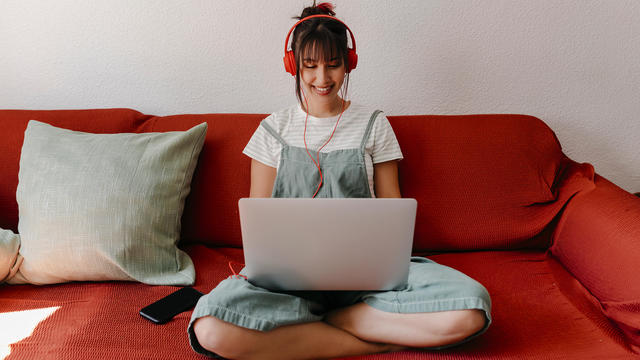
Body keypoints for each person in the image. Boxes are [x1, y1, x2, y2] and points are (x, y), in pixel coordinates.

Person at [188, 2, 491, 359]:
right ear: (293, 66)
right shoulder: (272, 131)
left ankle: (323, 325)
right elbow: (258, 223)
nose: (323, 79)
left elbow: (392, 210)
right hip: (286, 282)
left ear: (349, 62)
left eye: (333, 65)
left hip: (369, 279)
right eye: (310, 66)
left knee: (472, 310)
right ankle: (370, 335)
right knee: (210, 328)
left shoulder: (374, 124)